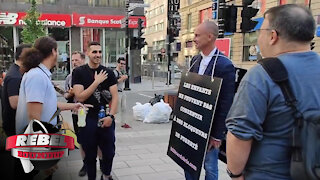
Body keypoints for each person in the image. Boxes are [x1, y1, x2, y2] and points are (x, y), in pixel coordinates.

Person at [225, 4, 319, 180]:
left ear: (273, 36)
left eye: (260, 31)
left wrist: (235, 174)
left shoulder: (261, 75)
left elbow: (240, 134)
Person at [15, 36, 87, 179]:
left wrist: (74, 105)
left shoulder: (41, 75)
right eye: (58, 51)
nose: (59, 55)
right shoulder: (37, 76)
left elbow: (48, 105)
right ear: (53, 51)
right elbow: (33, 117)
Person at [185, 20, 235, 180]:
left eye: (197, 35)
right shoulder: (194, 60)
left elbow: (226, 103)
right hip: (192, 125)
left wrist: (217, 135)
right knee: (188, 163)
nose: (194, 38)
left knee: (210, 167)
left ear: (210, 36)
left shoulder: (224, 65)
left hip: (210, 128)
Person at [72, 41, 118, 180]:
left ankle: (106, 174)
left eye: (99, 52)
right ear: (87, 53)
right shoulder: (79, 72)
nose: (98, 55)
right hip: (87, 118)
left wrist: (111, 116)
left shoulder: (108, 73)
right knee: (90, 153)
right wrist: (96, 82)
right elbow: (80, 97)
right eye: (94, 52)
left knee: (109, 152)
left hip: (105, 116)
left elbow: (115, 97)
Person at [1, 43, 32, 179]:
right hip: (15, 126)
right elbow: (14, 103)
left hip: (16, 125)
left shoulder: (18, 72)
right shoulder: (14, 76)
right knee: (22, 163)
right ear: (22, 55)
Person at [64, 51, 88, 176]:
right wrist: (71, 93)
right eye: (72, 60)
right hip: (76, 113)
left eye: (76, 60)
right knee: (81, 139)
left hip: (90, 112)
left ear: (83, 60)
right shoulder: (69, 77)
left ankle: (101, 161)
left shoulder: (90, 74)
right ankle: (85, 164)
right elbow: (66, 95)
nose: (74, 62)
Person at [114, 57, 130, 128]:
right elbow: (113, 82)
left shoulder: (122, 72)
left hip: (122, 91)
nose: (122, 65)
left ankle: (123, 123)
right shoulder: (115, 72)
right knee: (116, 109)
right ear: (117, 64)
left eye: (124, 64)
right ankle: (112, 121)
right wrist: (122, 79)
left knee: (124, 108)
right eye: (121, 63)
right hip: (117, 92)